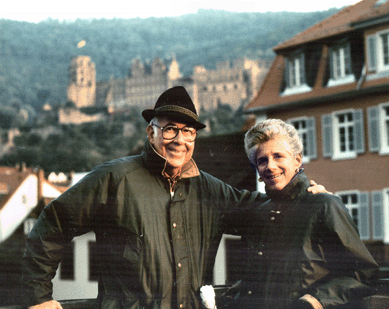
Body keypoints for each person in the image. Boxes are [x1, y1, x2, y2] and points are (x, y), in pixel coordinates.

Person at [22, 87, 327, 309]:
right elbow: (52, 225)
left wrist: (307, 195)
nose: (180, 139)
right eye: (170, 129)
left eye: (189, 131)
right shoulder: (115, 178)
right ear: (150, 132)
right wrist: (39, 298)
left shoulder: (210, 189)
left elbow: (265, 211)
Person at [223, 119, 379, 309]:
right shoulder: (261, 213)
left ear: (297, 159)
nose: (270, 166)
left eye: (278, 156)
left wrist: (316, 300)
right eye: (262, 160)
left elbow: (363, 273)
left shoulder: (324, 205)